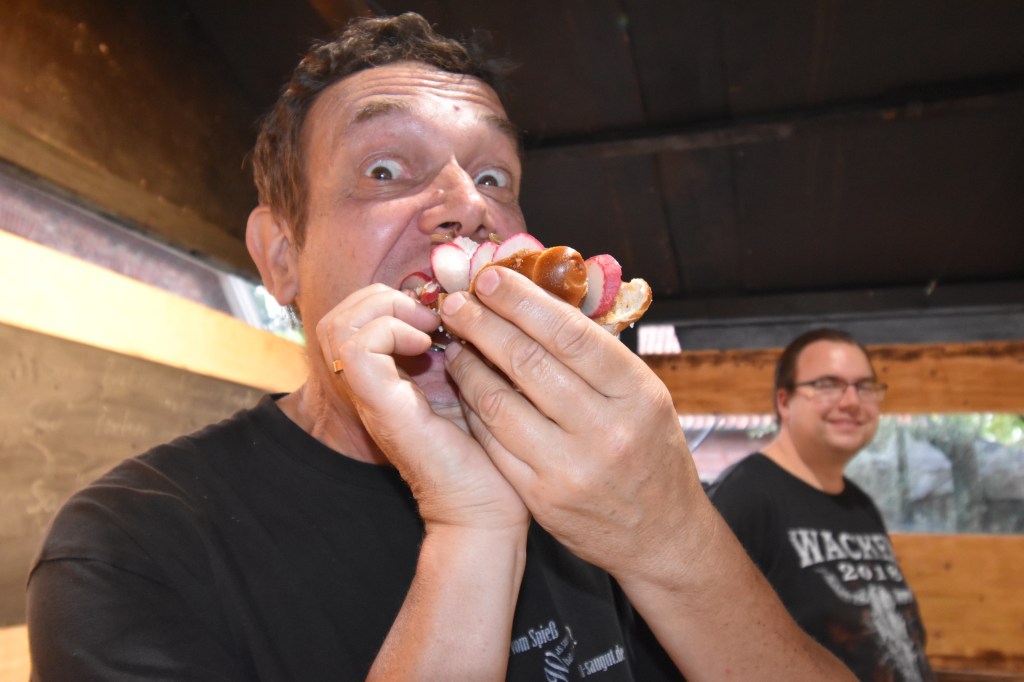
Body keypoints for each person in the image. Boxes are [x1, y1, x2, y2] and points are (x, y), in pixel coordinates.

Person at [27, 13, 855, 681]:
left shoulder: (599, 481)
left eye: (494, 177)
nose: (468, 204)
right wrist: (473, 531)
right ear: (281, 257)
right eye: (385, 170)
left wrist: (674, 537)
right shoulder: (133, 548)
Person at [707, 328, 935, 681]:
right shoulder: (746, 496)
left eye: (864, 386)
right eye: (828, 385)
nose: (851, 401)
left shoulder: (860, 504)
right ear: (785, 402)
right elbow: (706, 637)